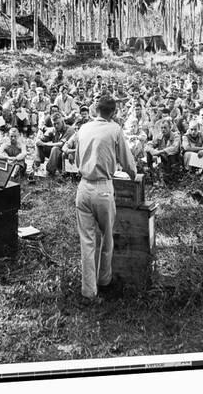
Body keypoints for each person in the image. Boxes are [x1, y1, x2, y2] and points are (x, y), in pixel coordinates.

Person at [74, 95, 137, 302]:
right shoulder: (115, 129)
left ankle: (88, 291)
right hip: (102, 188)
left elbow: (76, 160)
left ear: (95, 109)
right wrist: (134, 175)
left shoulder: (83, 128)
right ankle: (104, 280)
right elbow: (127, 162)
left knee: (87, 242)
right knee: (107, 239)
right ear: (114, 112)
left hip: (83, 186)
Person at [34, 112, 75, 177]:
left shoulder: (70, 130)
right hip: (56, 156)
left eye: (58, 123)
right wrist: (37, 156)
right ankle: (39, 168)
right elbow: (38, 141)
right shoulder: (53, 130)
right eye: (54, 124)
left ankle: (49, 172)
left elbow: (61, 144)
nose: (56, 126)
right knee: (40, 145)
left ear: (62, 121)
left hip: (67, 157)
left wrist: (45, 144)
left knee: (55, 149)